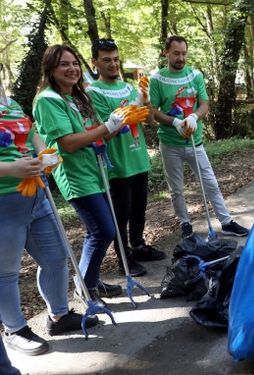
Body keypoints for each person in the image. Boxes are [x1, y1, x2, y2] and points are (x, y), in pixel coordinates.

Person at [1, 94, 98, 357]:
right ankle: (15, 330)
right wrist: (11, 169)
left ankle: (59, 317)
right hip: (3, 202)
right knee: (6, 272)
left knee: (56, 257)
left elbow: (31, 133)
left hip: (37, 195)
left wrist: (46, 153)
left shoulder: (9, 101)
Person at [33, 44, 127, 308]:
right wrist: (105, 128)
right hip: (75, 175)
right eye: (64, 64)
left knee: (99, 230)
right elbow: (69, 143)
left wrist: (115, 126)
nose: (72, 68)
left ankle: (91, 280)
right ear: (51, 69)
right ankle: (85, 287)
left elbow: (94, 132)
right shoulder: (48, 100)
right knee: (102, 231)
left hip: (94, 171)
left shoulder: (75, 97)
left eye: (74, 63)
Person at [149, 35, 249, 238]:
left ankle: (226, 221)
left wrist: (194, 116)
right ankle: (185, 223)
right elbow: (152, 110)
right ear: (166, 52)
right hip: (170, 143)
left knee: (210, 182)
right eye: (176, 53)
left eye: (184, 53)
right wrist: (174, 121)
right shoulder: (157, 79)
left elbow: (204, 104)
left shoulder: (195, 75)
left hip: (195, 141)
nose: (181, 58)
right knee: (176, 188)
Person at [87, 38, 165, 280]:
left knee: (139, 208)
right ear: (95, 63)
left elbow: (150, 122)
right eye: (106, 60)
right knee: (121, 213)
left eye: (116, 59)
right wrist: (130, 111)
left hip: (138, 157)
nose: (113, 64)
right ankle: (124, 257)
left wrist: (147, 100)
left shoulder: (130, 88)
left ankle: (138, 245)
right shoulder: (93, 92)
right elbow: (103, 131)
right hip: (116, 163)